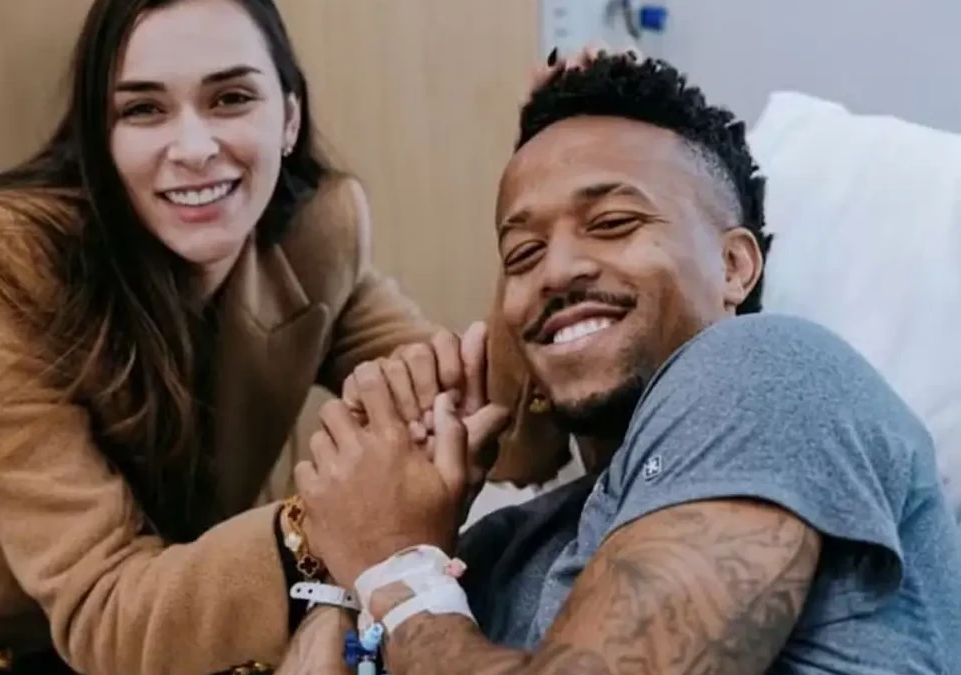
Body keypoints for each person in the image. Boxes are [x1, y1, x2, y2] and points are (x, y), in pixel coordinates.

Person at [0, 1, 497, 674]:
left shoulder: (316, 232)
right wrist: (325, 532)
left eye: (231, 98)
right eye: (144, 109)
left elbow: (469, 398)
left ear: (289, 118)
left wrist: (553, 165)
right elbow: (104, 613)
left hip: (92, 622)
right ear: (100, 136)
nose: (194, 147)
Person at [293, 53, 961, 674]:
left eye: (612, 222)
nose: (556, 270)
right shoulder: (495, 550)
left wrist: (396, 574)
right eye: (522, 254)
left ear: (734, 265)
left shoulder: (769, 370)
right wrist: (352, 561)